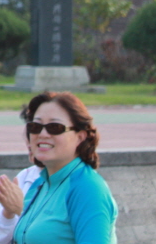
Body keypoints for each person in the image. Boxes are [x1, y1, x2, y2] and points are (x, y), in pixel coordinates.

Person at [11, 91, 117, 244]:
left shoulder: (87, 188)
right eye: (35, 126)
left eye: (55, 127)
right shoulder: (40, 184)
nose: (43, 134)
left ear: (80, 137)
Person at [0, 149, 41, 243]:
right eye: (29, 141)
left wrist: (21, 210)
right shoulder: (27, 175)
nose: (31, 146)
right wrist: (8, 213)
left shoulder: (66, 184)